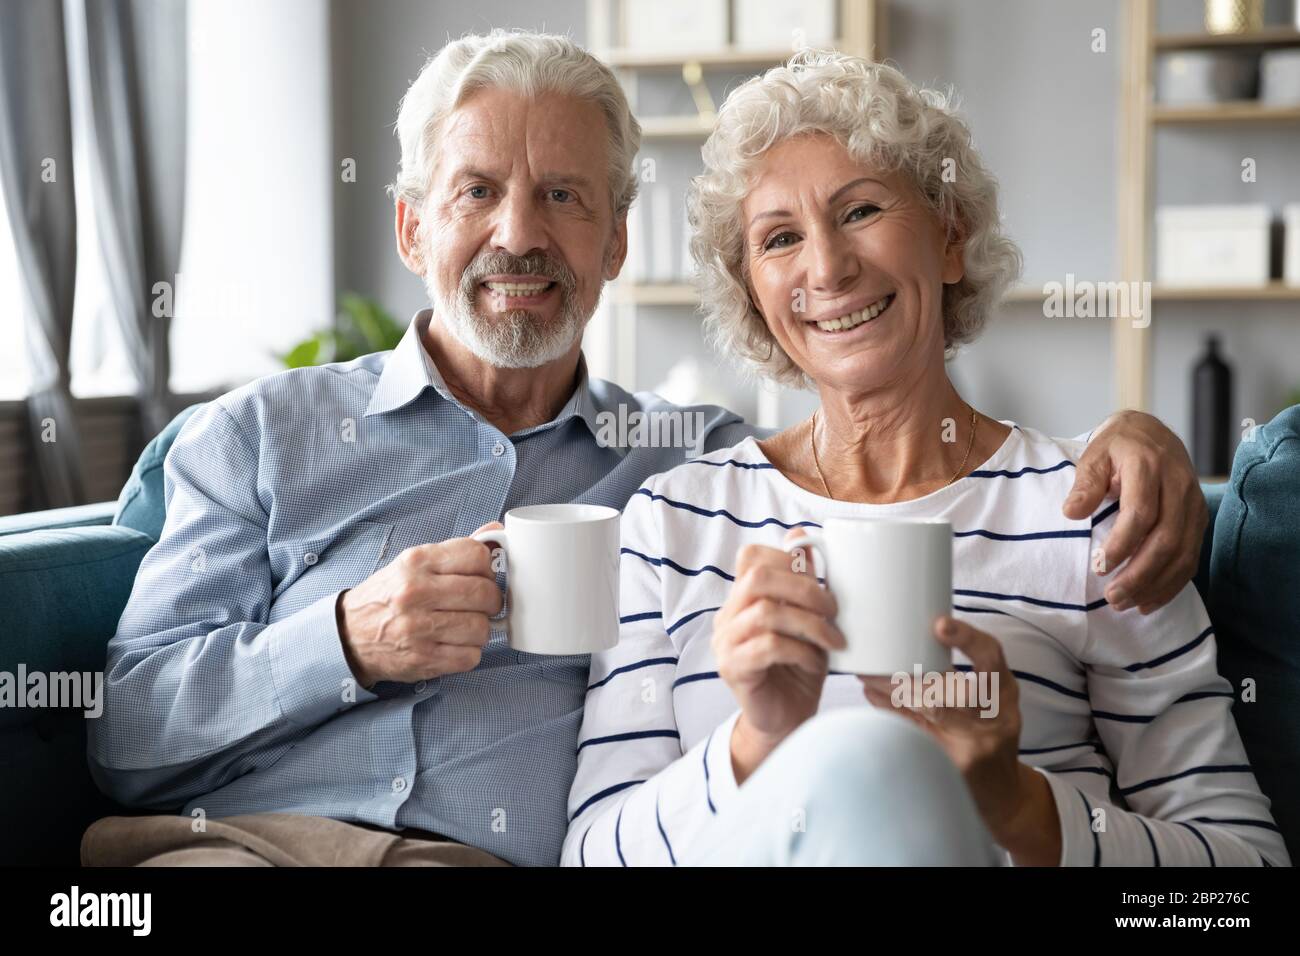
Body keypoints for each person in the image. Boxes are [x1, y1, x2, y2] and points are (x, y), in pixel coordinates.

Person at [84, 33, 1209, 869]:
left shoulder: (682, 477)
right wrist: (344, 638)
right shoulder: (261, 437)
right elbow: (122, 735)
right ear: (412, 225)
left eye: (563, 196)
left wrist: (1153, 444)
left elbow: (1235, 869)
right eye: (476, 191)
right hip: (240, 846)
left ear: (616, 240)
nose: (519, 233)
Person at [564, 51, 1288, 867]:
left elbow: (1239, 881)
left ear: (950, 237)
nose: (828, 268)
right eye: (779, 239)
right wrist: (753, 742)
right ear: (755, 297)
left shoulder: (1091, 510)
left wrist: (1018, 806)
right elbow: (589, 855)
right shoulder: (671, 524)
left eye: (862, 210)